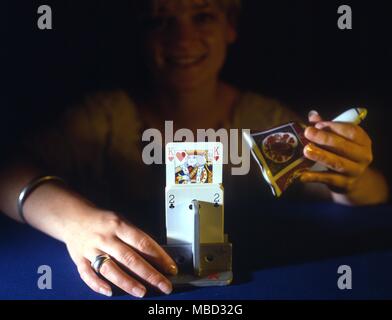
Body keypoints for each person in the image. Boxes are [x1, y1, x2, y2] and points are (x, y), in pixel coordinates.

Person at [0, 0, 388, 298]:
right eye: (160, 19)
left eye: (202, 16)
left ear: (230, 26)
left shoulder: (263, 117)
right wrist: (77, 222)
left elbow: (371, 193)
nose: (181, 39)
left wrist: (349, 176)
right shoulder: (105, 117)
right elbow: (7, 172)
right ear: (141, 32)